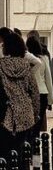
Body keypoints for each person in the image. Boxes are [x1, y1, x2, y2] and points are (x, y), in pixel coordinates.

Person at [0, 32, 39, 160]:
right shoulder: (26, 66)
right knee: (21, 150)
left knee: (5, 152)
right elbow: (34, 92)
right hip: (25, 113)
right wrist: (35, 113)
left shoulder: (1, 65)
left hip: (5, 114)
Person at [26, 36, 53, 137]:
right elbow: (48, 79)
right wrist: (50, 100)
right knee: (38, 123)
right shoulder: (44, 58)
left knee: (29, 123)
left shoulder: (25, 58)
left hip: (29, 93)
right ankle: (36, 141)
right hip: (42, 92)